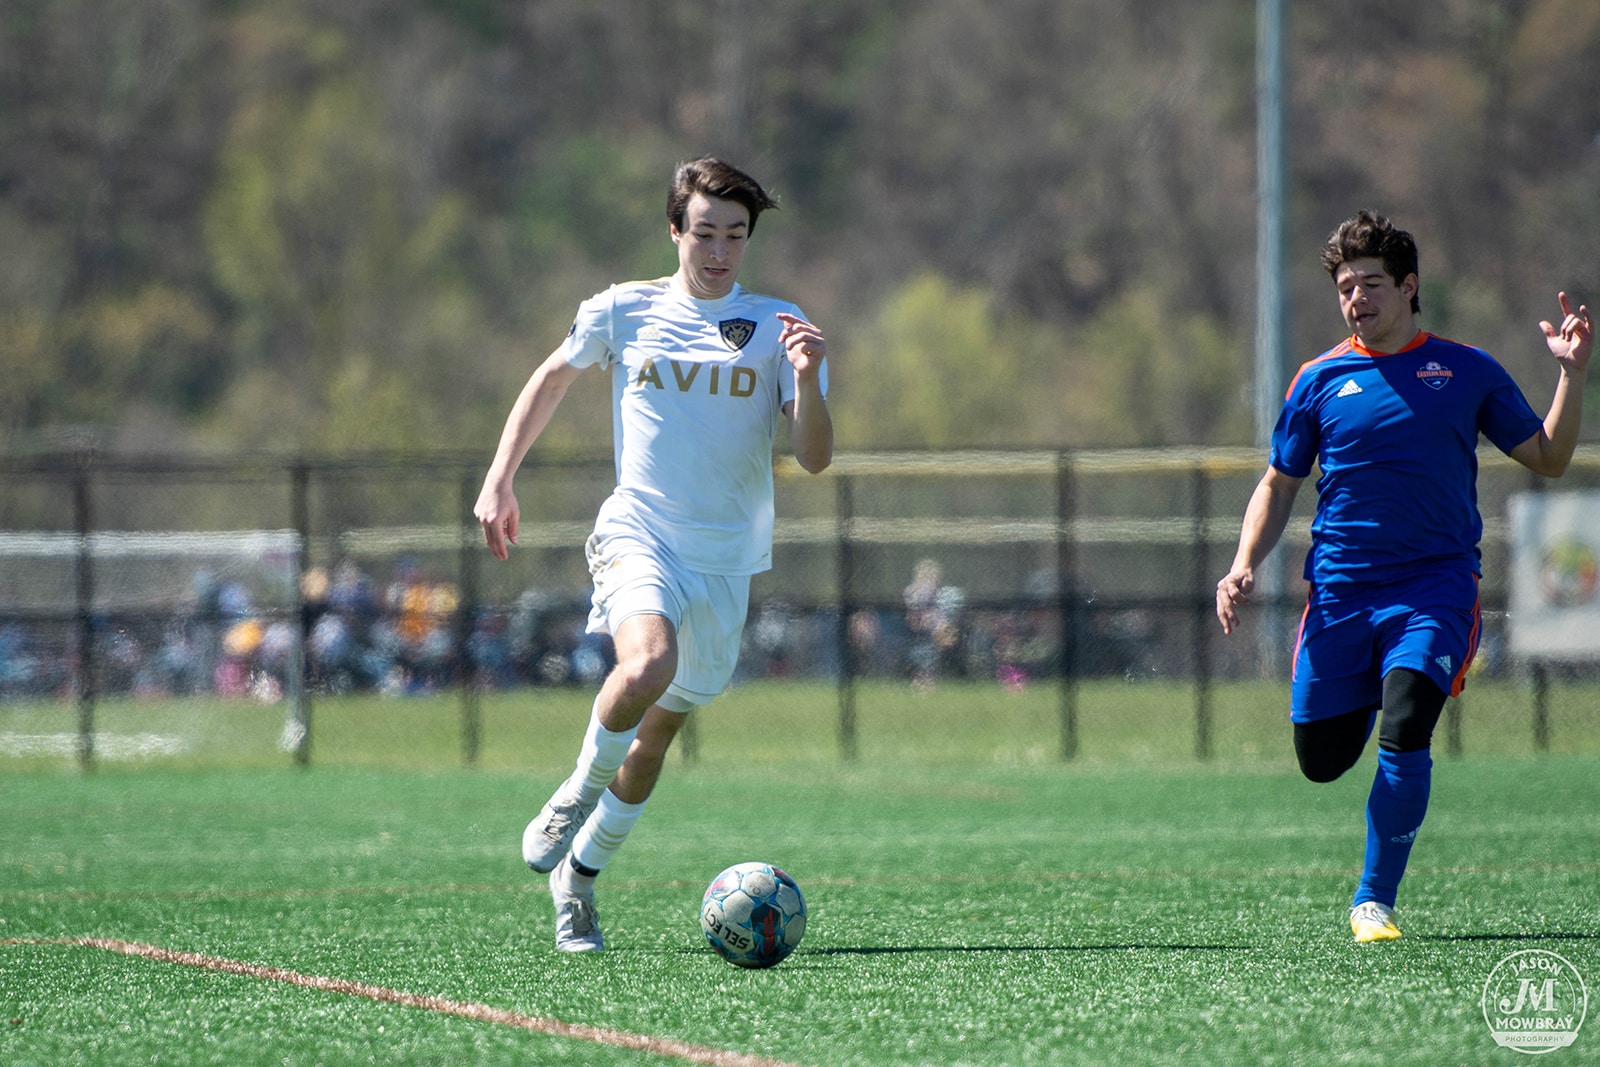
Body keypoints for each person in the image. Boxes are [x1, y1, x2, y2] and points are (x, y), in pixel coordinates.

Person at [474, 157, 833, 952]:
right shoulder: (622, 310)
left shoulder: (780, 327)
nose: (718, 250)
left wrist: (807, 380)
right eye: (703, 232)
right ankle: (571, 794)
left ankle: (580, 879)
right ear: (675, 230)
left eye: (734, 235)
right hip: (639, 531)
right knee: (645, 664)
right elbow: (550, 379)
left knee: (654, 741)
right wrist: (500, 478)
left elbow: (814, 457)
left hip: (726, 561)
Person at [1216, 210, 1590, 944]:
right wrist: (1241, 564)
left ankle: (1373, 900)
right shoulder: (1319, 379)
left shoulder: (1467, 370)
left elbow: (1548, 456)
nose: (1357, 297)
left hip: (1434, 587)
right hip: (1343, 594)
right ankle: (1362, 693)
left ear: (1410, 287)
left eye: (1372, 283)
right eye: (1346, 287)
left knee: (1409, 716)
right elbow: (1278, 482)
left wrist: (1572, 377)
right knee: (1321, 761)